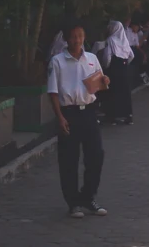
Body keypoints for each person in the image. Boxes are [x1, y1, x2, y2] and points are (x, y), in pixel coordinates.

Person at [47, 20, 109, 218]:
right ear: (66, 39)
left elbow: (99, 82)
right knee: (69, 160)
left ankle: (88, 197)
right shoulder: (57, 61)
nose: (77, 40)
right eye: (73, 36)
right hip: (69, 113)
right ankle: (73, 202)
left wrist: (104, 81)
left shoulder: (91, 58)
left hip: (89, 111)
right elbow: (53, 92)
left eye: (80, 36)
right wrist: (60, 117)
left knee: (96, 156)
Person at [102, 21, 134, 125]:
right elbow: (131, 55)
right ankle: (128, 115)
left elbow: (107, 56)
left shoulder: (110, 40)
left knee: (114, 91)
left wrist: (106, 66)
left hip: (114, 68)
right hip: (124, 68)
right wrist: (125, 64)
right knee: (125, 92)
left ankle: (113, 116)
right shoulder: (125, 41)